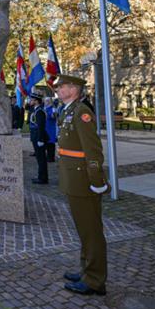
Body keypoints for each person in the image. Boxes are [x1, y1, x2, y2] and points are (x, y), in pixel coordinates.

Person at [54, 74, 109, 296]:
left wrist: (97, 182)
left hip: (84, 181)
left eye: (62, 86)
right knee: (84, 229)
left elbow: (93, 152)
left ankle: (95, 280)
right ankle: (87, 270)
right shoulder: (69, 110)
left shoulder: (81, 112)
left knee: (91, 231)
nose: (57, 90)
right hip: (73, 179)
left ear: (74, 88)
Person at [29, 92, 49, 184]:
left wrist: (40, 139)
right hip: (35, 136)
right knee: (39, 158)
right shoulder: (35, 110)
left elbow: (41, 126)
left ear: (36, 101)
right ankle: (41, 176)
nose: (30, 101)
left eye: (32, 100)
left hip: (39, 137)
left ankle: (43, 178)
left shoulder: (39, 111)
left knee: (41, 159)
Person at [44, 97, 58, 162]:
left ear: (50, 101)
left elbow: (54, 116)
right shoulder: (45, 108)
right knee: (47, 143)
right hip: (46, 128)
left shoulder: (53, 108)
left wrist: (48, 115)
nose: (45, 102)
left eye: (47, 101)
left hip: (51, 129)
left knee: (51, 144)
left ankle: (51, 157)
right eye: (45, 101)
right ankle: (48, 156)